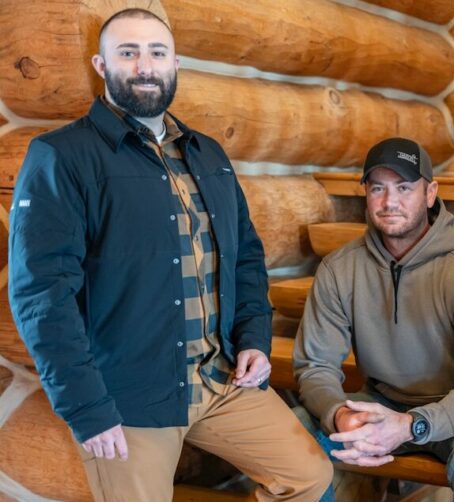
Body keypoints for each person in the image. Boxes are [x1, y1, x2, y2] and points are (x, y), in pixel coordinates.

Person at [8, 8, 331, 501]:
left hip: (220, 379)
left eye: (156, 52)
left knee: (310, 476)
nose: (144, 66)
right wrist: (86, 408)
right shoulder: (61, 155)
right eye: (128, 52)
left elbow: (245, 256)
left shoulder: (207, 154)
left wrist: (254, 340)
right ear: (101, 64)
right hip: (128, 396)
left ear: (174, 61)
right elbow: (40, 296)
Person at [292, 137, 454, 501]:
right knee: (295, 427)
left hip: (450, 414)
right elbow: (314, 367)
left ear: (429, 192)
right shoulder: (340, 269)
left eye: (404, 187)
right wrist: (339, 415)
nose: (390, 202)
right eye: (378, 188)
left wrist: (410, 425)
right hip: (379, 402)